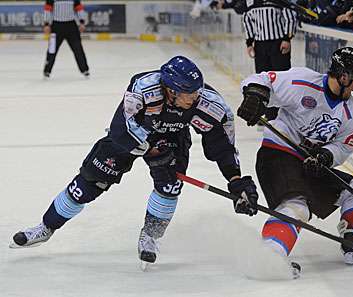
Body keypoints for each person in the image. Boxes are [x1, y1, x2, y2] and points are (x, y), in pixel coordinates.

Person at [10, 56, 259, 268]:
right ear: (171, 90)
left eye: (197, 92)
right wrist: (150, 149)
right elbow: (121, 128)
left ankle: (150, 236)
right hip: (131, 136)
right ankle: (46, 227)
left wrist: (235, 180)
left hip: (172, 138)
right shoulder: (143, 88)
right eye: (189, 94)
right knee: (89, 182)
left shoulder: (209, 105)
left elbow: (222, 145)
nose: (194, 98)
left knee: (169, 187)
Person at [236, 47, 353, 271]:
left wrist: (326, 156)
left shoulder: (350, 113)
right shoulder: (302, 81)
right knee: (297, 207)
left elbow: (343, 145)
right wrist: (255, 97)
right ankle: (269, 257)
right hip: (277, 154)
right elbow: (262, 80)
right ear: (343, 76)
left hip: (309, 165)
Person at [42, 0, 90, 78]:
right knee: (52, 49)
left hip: (71, 26)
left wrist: (82, 22)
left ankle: (84, 69)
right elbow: (47, 10)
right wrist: (46, 24)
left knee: (78, 48)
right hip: (56, 26)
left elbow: (79, 8)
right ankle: (47, 70)